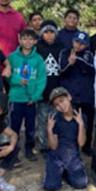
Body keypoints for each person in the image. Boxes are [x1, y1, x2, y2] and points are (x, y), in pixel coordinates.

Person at [7, 28, 46, 162]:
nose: (27, 41)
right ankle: (13, 151)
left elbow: (42, 80)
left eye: (30, 39)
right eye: (24, 38)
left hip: (31, 99)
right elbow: (7, 76)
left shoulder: (38, 59)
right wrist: (17, 80)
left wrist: (35, 96)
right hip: (16, 98)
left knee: (30, 128)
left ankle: (29, 150)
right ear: (19, 39)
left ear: (35, 41)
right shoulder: (12, 57)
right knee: (15, 126)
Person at [43, 87, 88, 191]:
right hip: (57, 156)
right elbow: (53, 146)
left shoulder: (80, 116)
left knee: (81, 183)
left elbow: (81, 143)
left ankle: (67, 172)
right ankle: (57, 171)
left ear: (69, 97)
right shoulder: (54, 119)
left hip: (72, 156)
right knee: (51, 186)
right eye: (57, 105)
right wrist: (49, 130)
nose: (61, 106)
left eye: (62, 101)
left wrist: (81, 124)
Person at [35, 21, 64, 153]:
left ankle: (56, 143)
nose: (49, 35)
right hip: (42, 90)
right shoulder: (37, 47)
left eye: (52, 32)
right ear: (41, 34)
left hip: (56, 88)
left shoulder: (61, 47)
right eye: (46, 32)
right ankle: (44, 144)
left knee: (56, 118)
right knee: (42, 119)